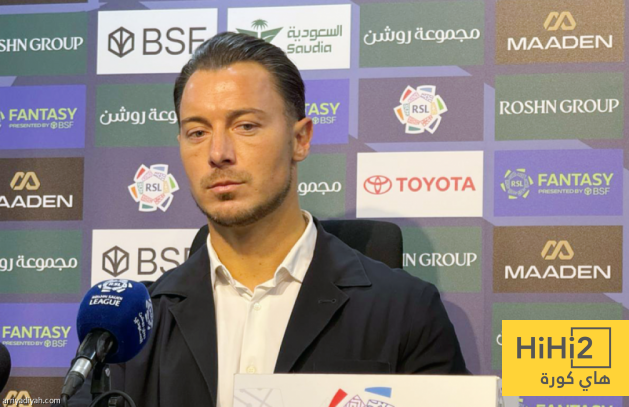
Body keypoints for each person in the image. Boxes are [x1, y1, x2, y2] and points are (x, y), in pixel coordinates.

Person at [61, 32, 467, 407]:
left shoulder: (405, 310)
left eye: (246, 126)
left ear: (300, 139)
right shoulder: (131, 328)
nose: (218, 153)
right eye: (197, 132)